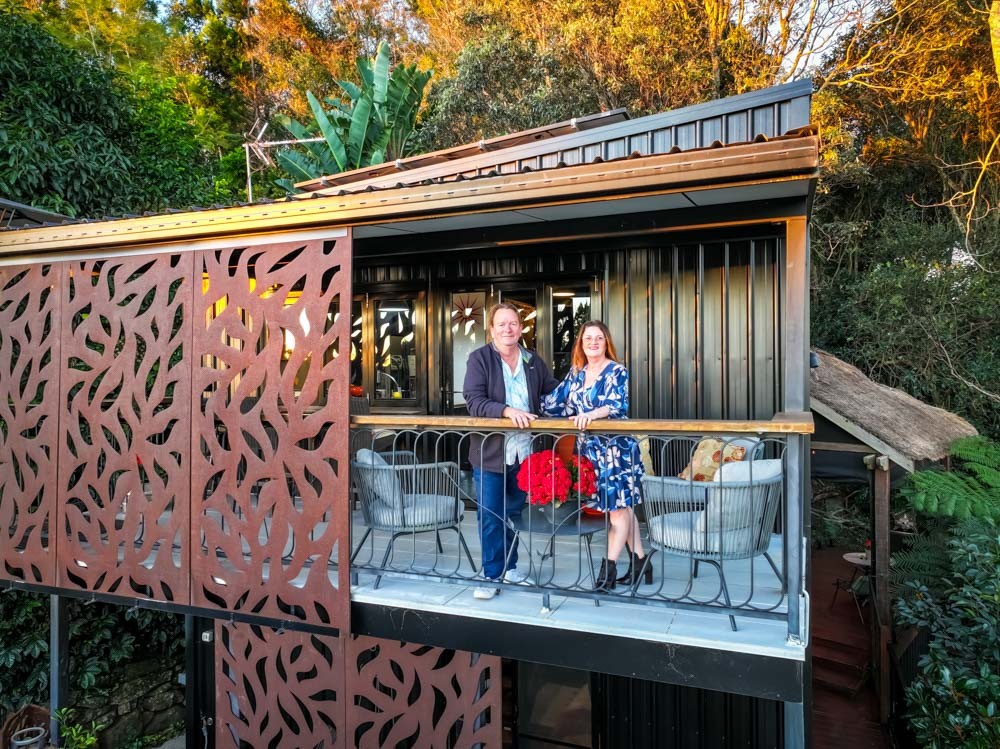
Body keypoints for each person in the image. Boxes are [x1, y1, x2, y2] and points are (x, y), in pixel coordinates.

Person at [541, 321, 651, 590]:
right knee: (622, 509)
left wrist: (590, 414)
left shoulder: (617, 371)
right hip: (592, 452)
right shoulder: (577, 373)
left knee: (616, 513)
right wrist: (524, 407)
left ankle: (608, 571)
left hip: (617, 451)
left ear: (606, 342)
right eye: (588, 338)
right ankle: (642, 564)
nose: (593, 342)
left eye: (598, 338)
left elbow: (616, 405)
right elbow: (555, 403)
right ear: (580, 343)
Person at [463, 302, 560, 600]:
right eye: (501, 324)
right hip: (491, 453)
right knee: (491, 515)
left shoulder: (532, 360)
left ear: (521, 328)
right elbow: (474, 400)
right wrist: (507, 410)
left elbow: (553, 393)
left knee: (514, 514)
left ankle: (511, 568)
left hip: (525, 454)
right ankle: (491, 575)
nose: (508, 328)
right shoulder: (479, 359)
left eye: (513, 323)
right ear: (491, 329)